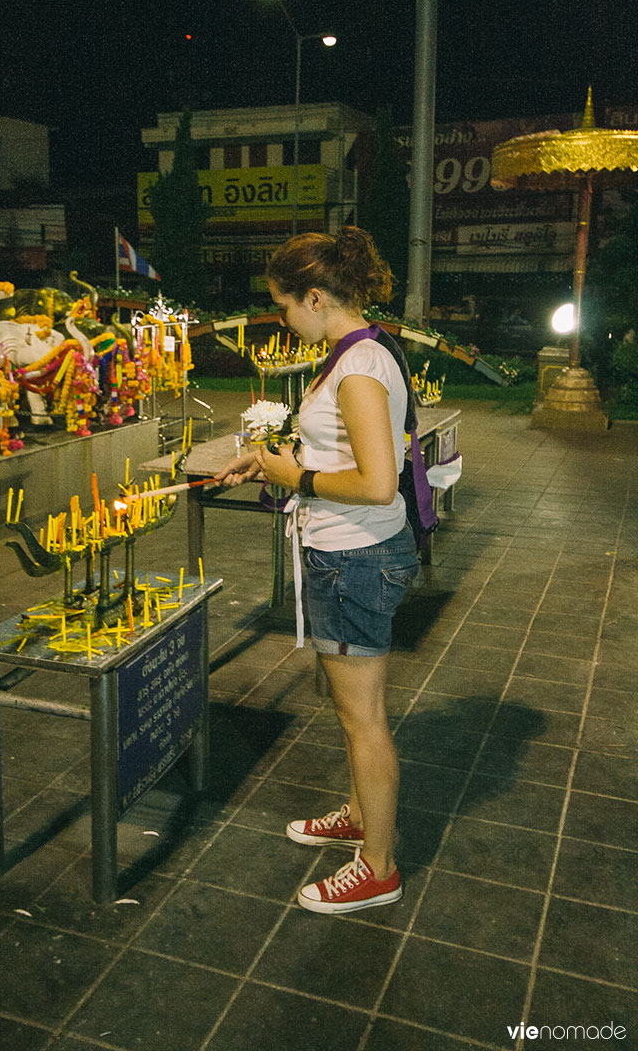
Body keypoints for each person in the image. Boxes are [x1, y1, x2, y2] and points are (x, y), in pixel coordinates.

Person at [216, 226, 418, 915]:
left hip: (355, 559)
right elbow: (345, 452)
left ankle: (378, 868)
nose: (281, 320)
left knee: (364, 719)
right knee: (352, 709)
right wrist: (271, 459)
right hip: (350, 554)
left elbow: (377, 483)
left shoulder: (358, 368)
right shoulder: (360, 350)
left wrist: (293, 473)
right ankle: (362, 815)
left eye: (283, 306)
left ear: (314, 295)